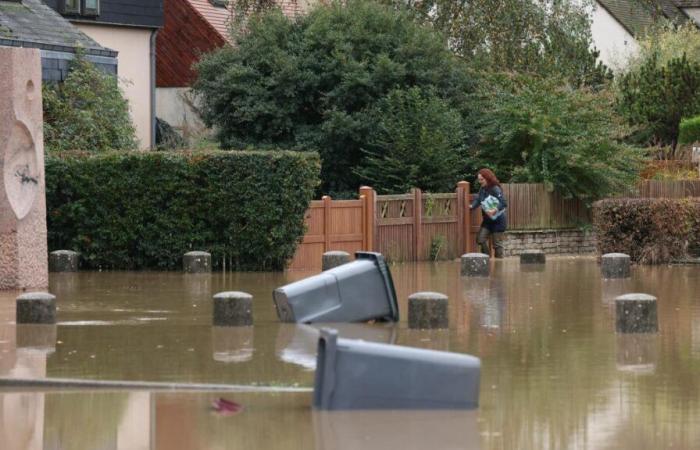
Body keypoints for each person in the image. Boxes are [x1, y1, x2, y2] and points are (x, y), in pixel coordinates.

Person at [469, 168, 507, 258]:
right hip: (487, 221)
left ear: (488, 178)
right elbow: (478, 199)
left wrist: (494, 210)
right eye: (479, 179)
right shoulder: (482, 189)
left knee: (497, 245)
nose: (480, 181)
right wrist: (471, 206)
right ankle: (487, 259)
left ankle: (499, 265)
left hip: (498, 221)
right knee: (480, 239)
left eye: (481, 179)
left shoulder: (495, 189)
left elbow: (504, 203)